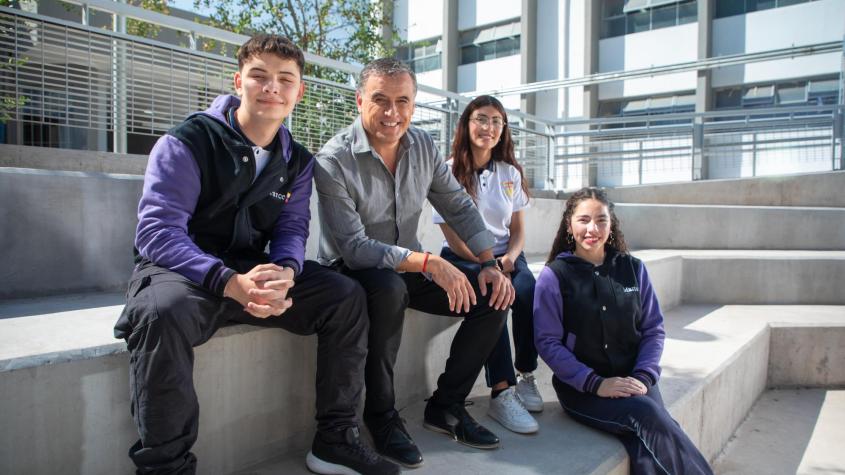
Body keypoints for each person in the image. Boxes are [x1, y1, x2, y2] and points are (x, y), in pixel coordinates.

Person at [114, 35, 399, 475]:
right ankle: (164, 467)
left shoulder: (298, 160)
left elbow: (291, 229)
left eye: (285, 79)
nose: (272, 88)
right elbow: (158, 233)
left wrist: (285, 271)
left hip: (250, 267)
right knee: (160, 314)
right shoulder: (187, 141)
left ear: (299, 91)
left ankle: (336, 440)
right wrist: (228, 281)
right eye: (259, 76)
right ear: (238, 81)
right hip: (182, 269)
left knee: (345, 296)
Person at [314, 58, 515, 468]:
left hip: (408, 266)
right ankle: (382, 417)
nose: (392, 113)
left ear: (414, 103)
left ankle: (446, 405)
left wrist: (488, 262)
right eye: (380, 100)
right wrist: (426, 262)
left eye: (402, 101)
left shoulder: (423, 145)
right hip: (350, 271)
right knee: (388, 289)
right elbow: (353, 247)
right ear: (359, 101)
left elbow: (458, 205)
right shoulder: (333, 159)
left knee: (493, 296)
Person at [533, 187, 713, 475]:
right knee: (648, 416)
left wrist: (643, 376)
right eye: (583, 220)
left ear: (611, 223)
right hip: (584, 391)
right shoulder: (555, 276)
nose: (593, 228)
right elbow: (547, 342)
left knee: (646, 437)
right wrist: (595, 383)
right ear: (569, 224)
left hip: (636, 380)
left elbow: (653, 329)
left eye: (601, 220)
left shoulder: (633, 269)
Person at [432, 95, 542, 435]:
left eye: (496, 121)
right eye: (481, 119)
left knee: (528, 290)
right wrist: (485, 263)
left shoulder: (510, 172)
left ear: (503, 129)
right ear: (466, 124)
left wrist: (508, 258)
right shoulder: (448, 171)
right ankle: (501, 390)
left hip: (506, 253)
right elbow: (452, 236)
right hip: (464, 254)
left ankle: (525, 373)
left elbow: (519, 228)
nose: (488, 127)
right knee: (495, 294)